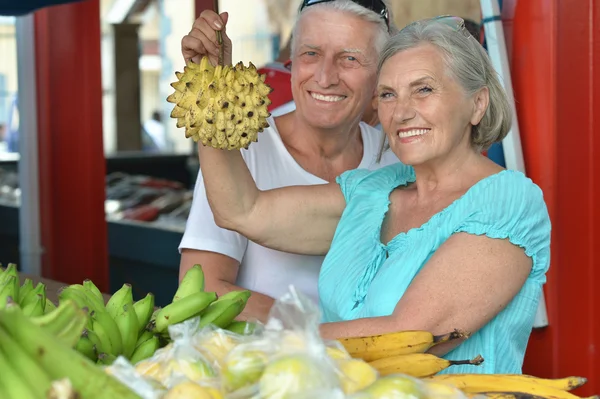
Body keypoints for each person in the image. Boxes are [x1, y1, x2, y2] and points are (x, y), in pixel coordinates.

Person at [196, 15, 552, 374]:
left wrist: (269, 349)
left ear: (477, 104)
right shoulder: (375, 189)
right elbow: (241, 210)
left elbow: (410, 335)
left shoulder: (508, 202)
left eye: (424, 89)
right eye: (387, 95)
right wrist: (211, 85)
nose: (402, 112)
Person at [178, 0, 400, 323]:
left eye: (349, 58)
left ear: (381, 75)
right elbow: (200, 288)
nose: (325, 77)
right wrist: (317, 332)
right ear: (292, 62)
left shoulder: (396, 157)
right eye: (310, 54)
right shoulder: (240, 147)